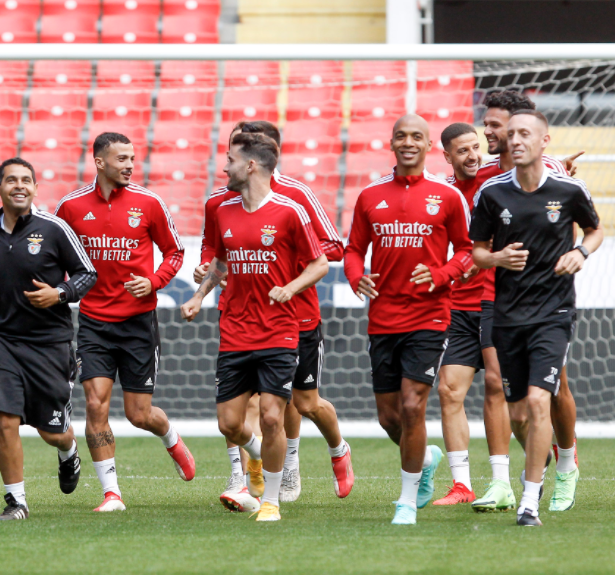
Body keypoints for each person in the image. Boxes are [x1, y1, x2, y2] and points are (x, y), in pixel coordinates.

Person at [196, 121, 353, 509]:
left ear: (261, 157)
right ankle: (244, 478)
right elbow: (213, 251)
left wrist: (287, 270)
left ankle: (330, 451)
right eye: (233, 147)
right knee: (252, 407)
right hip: (242, 317)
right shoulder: (221, 202)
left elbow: (331, 248)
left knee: (303, 403)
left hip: (295, 316)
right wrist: (206, 273)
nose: (228, 161)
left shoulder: (295, 198)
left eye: (236, 154)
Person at [0, 158, 97, 520]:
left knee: (51, 432)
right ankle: (16, 502)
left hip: (50, 344)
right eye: (11, 180)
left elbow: (88, 274)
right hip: (3, 341)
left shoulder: (55, 229)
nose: (19, 186)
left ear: (36, 188)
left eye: (26, 180)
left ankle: (68, 450)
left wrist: (60, 293)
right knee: (3, 418)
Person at [469, 110, 602, 526]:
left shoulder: (568, 187)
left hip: (554, 312)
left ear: (545, 141)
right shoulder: (491, 193)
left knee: (540, 398)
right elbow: (477, 252)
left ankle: (530, 502)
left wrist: (579, 253)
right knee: (520, 415)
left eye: (525, 133)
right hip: (507, 314)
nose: (515, 140)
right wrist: (496, 258)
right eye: (511, 135)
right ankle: (540, 464)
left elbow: (594, 230)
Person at [55, 132, 194, 512]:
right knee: (95, 404)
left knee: (138, 414)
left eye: (132, 157)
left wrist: (154, 281)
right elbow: (54, 256)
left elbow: (175, 252)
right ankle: (111, 493)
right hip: (94, 323)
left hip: (138, 323)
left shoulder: (149, 203)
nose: (130, 164)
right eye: (121, 158)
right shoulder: (70, 207)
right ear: (100, 162)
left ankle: (170, 437)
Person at [343, 115, 472, 525]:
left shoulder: (447, 196)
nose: (408, 141)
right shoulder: (370, 196)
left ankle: (405, 499)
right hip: (383, 318)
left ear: (429, 144)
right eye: (402, 135)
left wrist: (440, 276)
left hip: (430, 316)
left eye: (417, 136)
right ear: (392, 143)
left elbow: (467, 251)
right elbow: (352, 249)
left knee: (415, 406)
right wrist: (353, 276)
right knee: (390, 417)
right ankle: (427, 458)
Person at [431, 122, 487, 506]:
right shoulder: (443, 194)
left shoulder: (499, 180)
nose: (473, 156)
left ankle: (550, 456)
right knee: (449, 391)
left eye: (476, 147)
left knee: (514, 399)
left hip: (504, 304)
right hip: (458, 307)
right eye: (463, 151)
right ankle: (463, 485)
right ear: (447, 156)